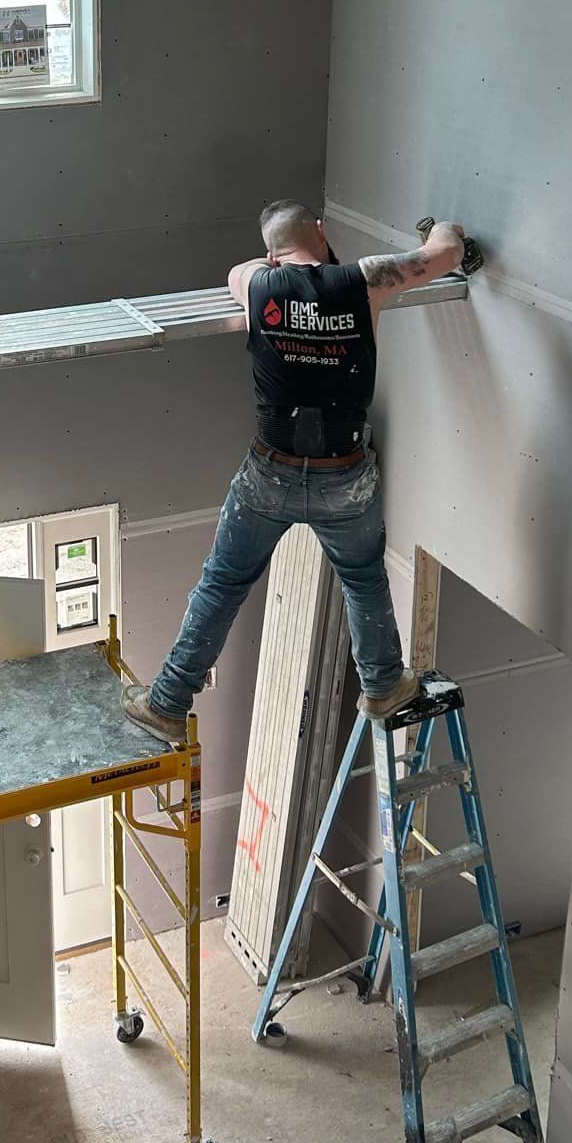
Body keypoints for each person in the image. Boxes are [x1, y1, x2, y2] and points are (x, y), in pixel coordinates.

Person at [122, 201, 471, 743]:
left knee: (223, 582)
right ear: (322, 232)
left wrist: (266, 269)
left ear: (271, 251)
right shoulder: (365, 280)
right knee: (362, 578)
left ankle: (168, 702)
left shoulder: (259, 286)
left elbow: (238, 273)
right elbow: (446, 252)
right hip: (345, 475)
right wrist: (441, 228)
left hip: (270, 473)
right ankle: (381, 686)